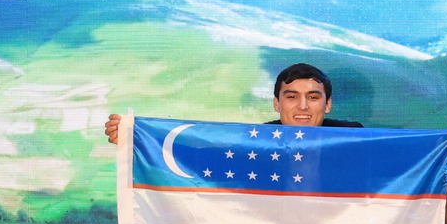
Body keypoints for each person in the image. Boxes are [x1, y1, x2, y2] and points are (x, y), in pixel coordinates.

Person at [105, 61, 365, 144]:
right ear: (277, 104)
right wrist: (136, 138)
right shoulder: (254, 140)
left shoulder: (355, 138)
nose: (303, 106)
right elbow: (196, 148)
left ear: (327, 105)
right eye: (292, 96)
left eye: (313, 97)